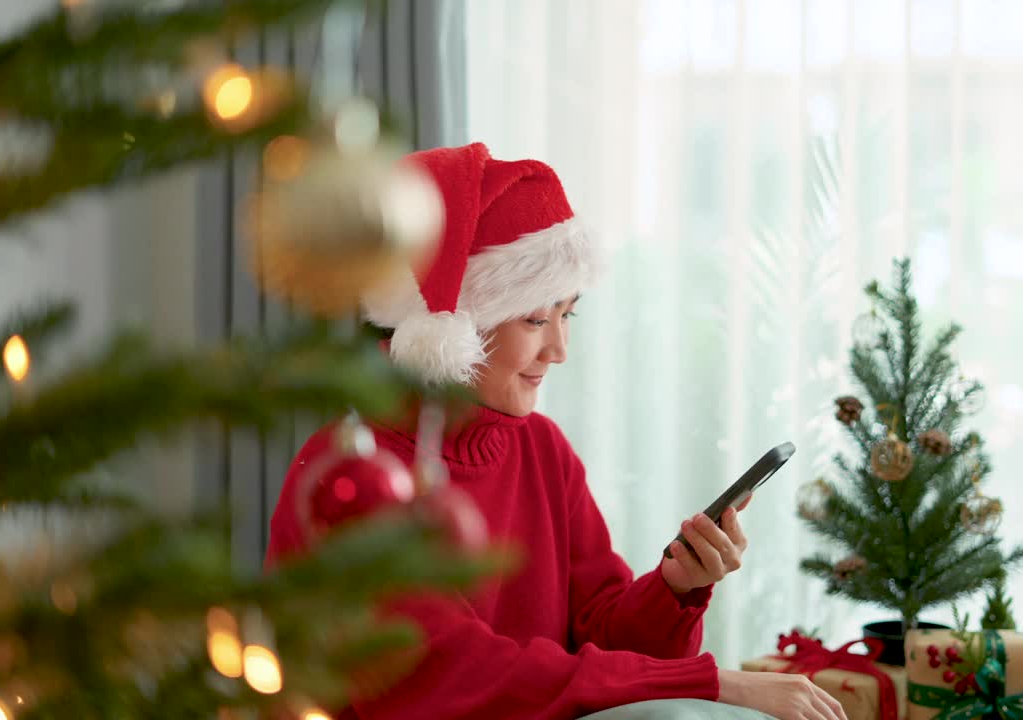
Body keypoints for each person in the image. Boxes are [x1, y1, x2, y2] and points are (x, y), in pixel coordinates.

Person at [265, 143, 846, 720]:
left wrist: (672, 590)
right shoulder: (352, 476)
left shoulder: (540, 446)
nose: (559, 348)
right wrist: (713, 682)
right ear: (453, 325)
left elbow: (604, 643)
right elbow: (454, 678)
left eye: (568, 314)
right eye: (536, 318)